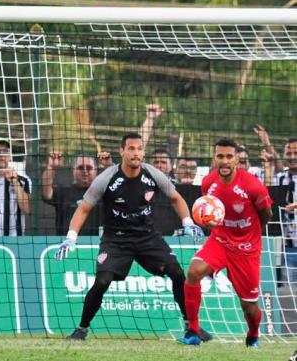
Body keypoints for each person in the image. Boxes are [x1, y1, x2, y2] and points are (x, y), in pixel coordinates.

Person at [55, 133, 210, 341]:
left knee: (177, 273)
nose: (136, 153)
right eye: (131, 149)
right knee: (102, 281)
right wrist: (71, 237)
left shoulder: (152, 174)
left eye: (139, 149)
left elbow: (176, 198)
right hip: (116, 240)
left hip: (147, 237)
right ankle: (81, 329)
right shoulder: (107, 178)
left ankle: (191, 326)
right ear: (122, 151)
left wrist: (188, 222)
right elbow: (84, 208)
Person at [177, 138, 273, 347]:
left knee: (249, 305)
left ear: (237, 159)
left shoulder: (253, 186)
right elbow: (212, 210)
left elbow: (266, 213)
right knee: (193, 272)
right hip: (220, 240)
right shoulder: (208, 182)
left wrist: (251, 234)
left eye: (229, 156)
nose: (225, 161)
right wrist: (212, 225)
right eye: (220, 156)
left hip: (246, 249)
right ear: (214, 159)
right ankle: (193, 331)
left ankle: (253, 334)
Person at [42, 151, 111, 235]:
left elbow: (122, 187)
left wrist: (110, 167)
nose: (85, 171)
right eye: (80, 167)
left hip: (97, 243)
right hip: (68, 242)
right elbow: (47, 194)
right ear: (73, 170)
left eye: (89, 168)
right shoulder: (63, 191)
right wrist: (50, 166)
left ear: (96, 170)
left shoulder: (104, 192)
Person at [274, 138, 297, 286]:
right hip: (286, 247)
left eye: (296, 152)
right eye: (289, 153)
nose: (292, 156)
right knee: (288, 295)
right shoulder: (279, 178)